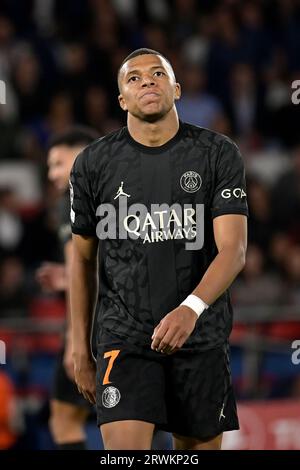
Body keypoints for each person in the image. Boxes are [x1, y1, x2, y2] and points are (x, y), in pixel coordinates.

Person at [69, 48, 248, 450]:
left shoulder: (217, 153)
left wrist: (191, 308)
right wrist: (79, 346)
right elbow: (81, 260)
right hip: (124, 336)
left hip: (200, 336)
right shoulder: (92, 164)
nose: (147, 81)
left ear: (177, 89)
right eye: (134, 78)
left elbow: (233, 251)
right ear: (122, 100)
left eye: (157, 74)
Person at [36, 127, 98, 450]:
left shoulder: (73, 197)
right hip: (128, 319)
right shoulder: (116, 189)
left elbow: (78, 263)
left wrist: (76, 340)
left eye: (58, 163)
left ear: (82, 154)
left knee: (65, 418)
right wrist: (66, 275)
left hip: (93, 329)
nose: (52, 173)